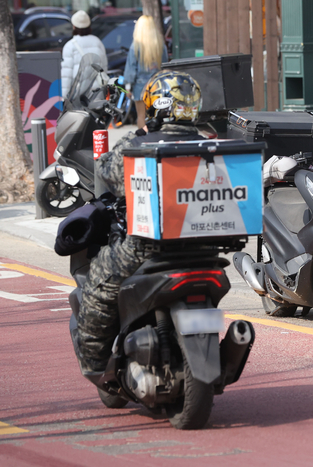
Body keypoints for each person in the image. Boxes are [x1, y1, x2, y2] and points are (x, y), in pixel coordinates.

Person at [75, 71, 204, 374]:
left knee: (98, 280)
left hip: (147, 248)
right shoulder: (209, 144)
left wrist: (139, 134)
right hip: (205, 244)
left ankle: (95, 364)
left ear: (155, 105)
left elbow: (107, 172)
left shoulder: (142, 145)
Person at [124, 15, 169, 128]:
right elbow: (165, 66)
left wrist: (128, 87)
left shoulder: (135, 46)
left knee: (141, 116)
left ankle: (143, 140)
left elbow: (131, 68)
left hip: (140, 86)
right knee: (157, 115)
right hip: (158, 86)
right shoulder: (160, 45)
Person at [61, 10, 108, 98]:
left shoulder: (70, 46)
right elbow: (104, 67)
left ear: (74, 26)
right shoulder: (97, 42)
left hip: (77, 96)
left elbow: (66, 76)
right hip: (96, 93)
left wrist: (64, 97)